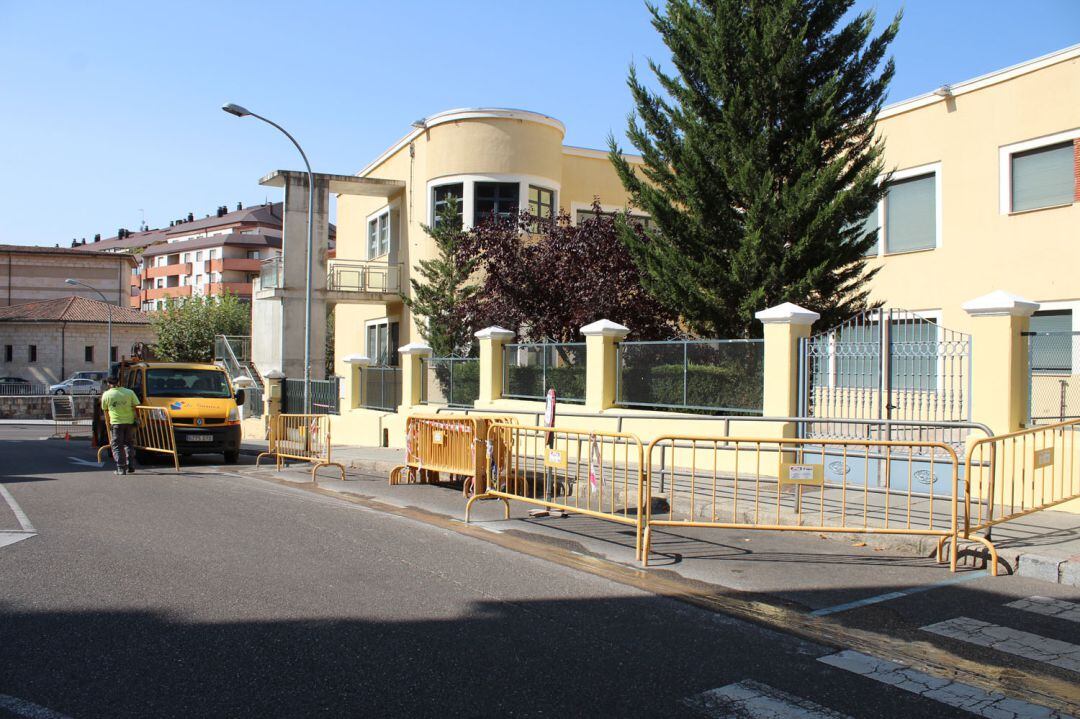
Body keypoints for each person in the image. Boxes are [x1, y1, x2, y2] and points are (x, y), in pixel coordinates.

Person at [101, 376, 139, 475]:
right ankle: (131, 466)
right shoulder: (129, 392)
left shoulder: (107, 394)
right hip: (129, 422)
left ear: (109, 384)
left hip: (116, 422)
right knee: (129, 443)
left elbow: (104, 408)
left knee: (117, 445)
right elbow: (136, 404)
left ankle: (121, 468)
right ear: (119, 382)